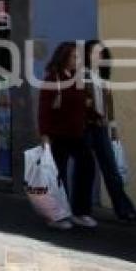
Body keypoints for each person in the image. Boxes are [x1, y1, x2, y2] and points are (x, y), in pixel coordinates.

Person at [38, 41, 97, 230]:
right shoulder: (52, 79)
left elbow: (82, 105)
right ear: (64, 58)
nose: (78, 60)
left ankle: (80, 212)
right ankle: (55, 216)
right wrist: (44, 135)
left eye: (79, 57)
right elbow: (44, 110)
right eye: (74, 56)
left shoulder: (76, 78)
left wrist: (95, 115)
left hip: (77, 133)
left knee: (87, 166)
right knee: (57, 175)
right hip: (57, 134)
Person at [83, 40, 136, 222]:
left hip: (101, 128)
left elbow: (109, 106)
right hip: (85, 128)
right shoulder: (82, 76)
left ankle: (124, 210)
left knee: (112, 170)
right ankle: (81, 210)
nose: (98, 57)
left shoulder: (103, 77)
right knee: (85, 170)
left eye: (101, 54)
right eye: (94, 53)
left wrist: (113, 129)